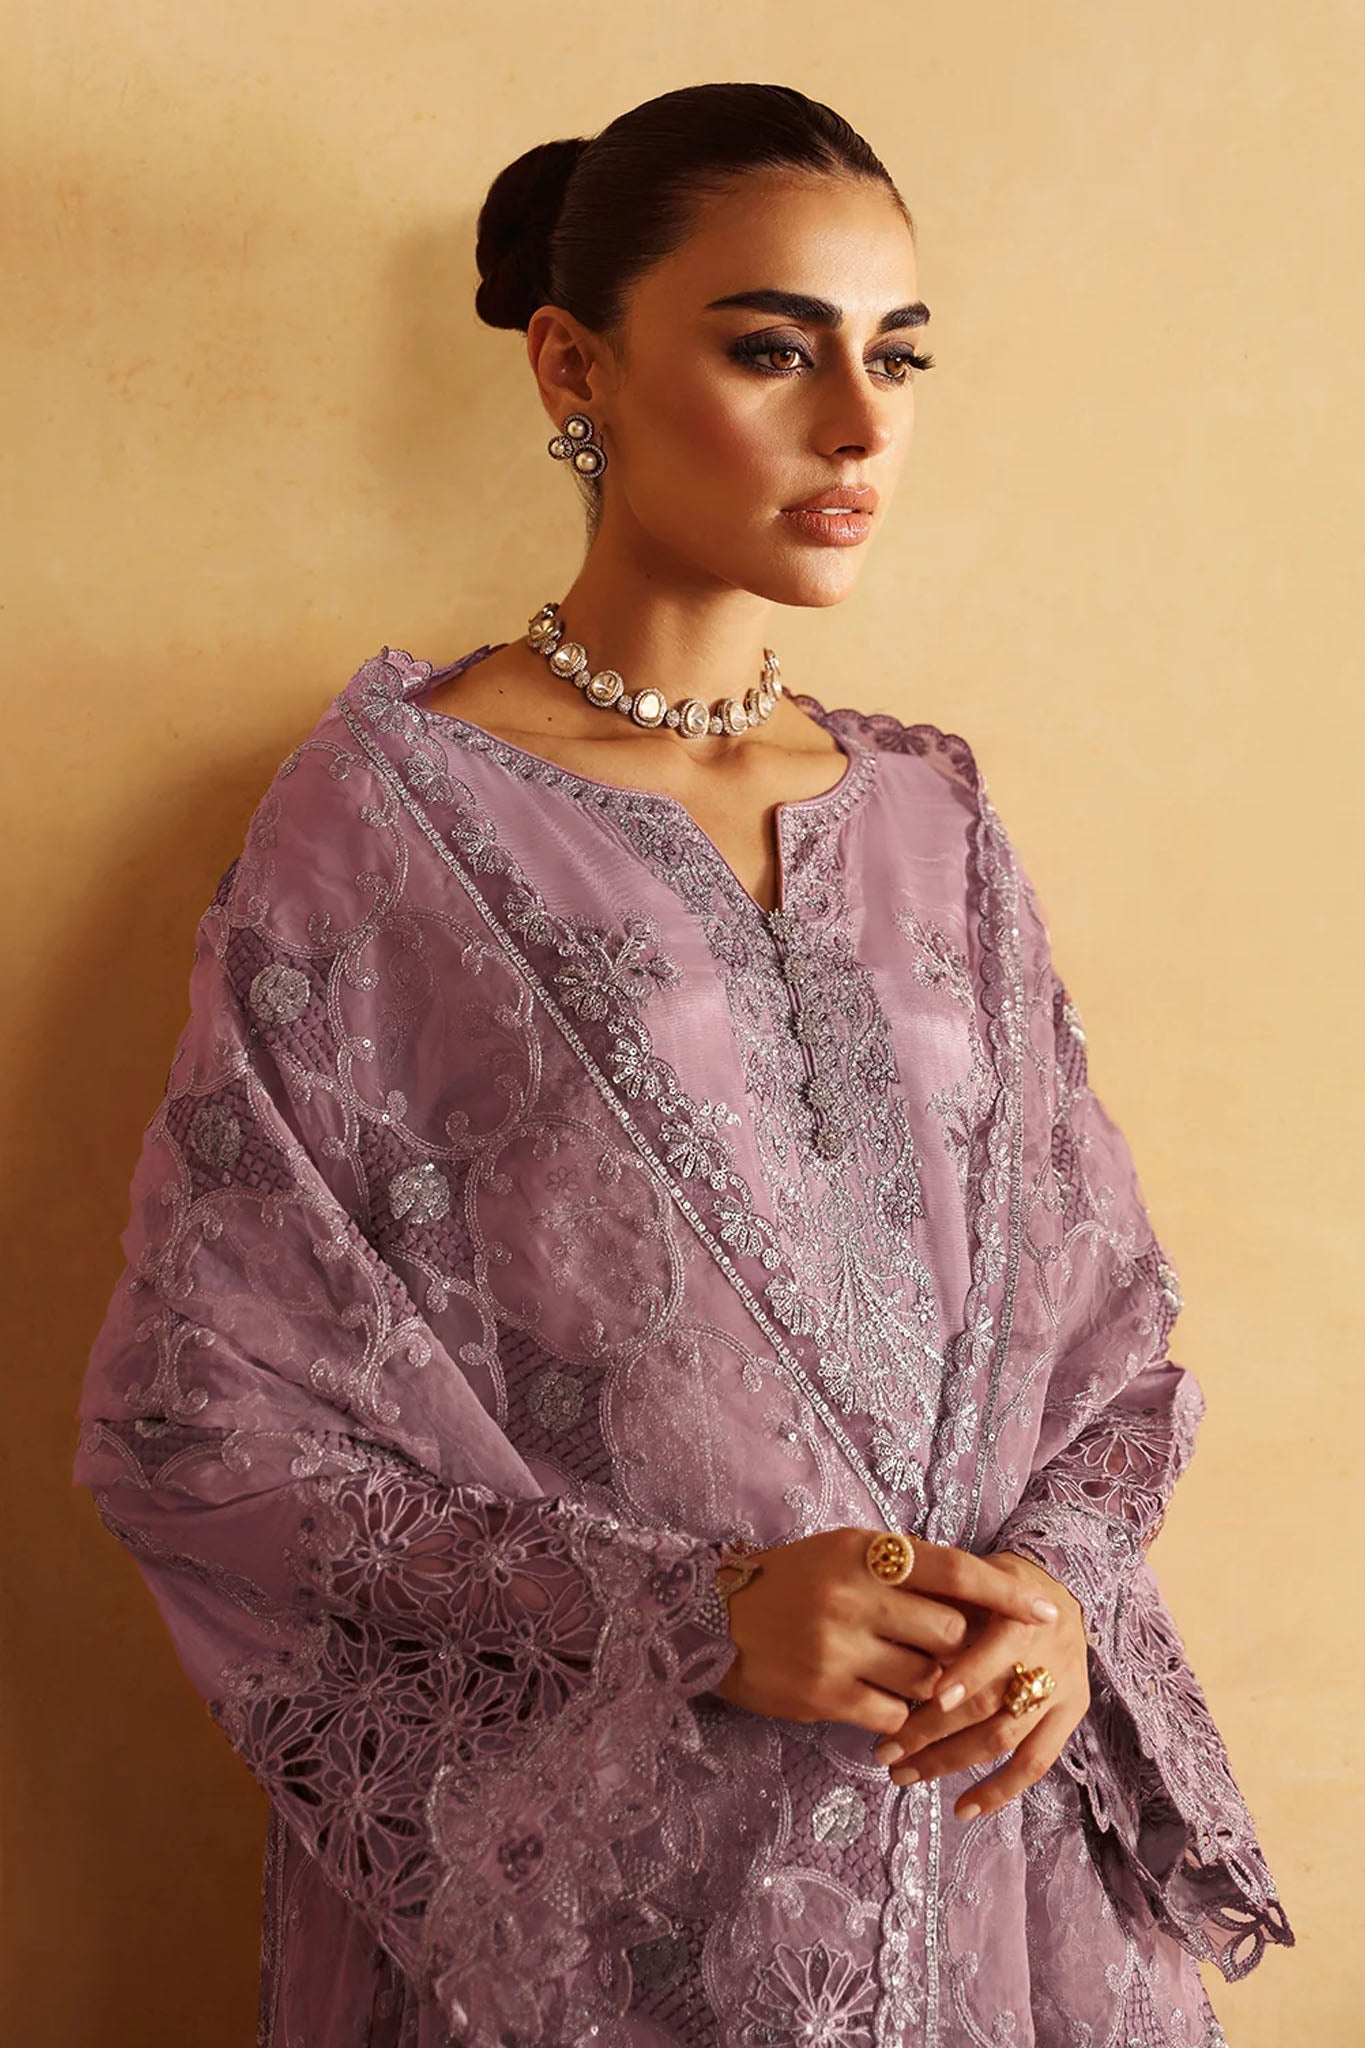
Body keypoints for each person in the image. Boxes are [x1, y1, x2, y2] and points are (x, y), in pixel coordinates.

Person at [73, 80, 1294, 2048]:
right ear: (573, 365)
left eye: (897, 355)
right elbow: (203, 1418)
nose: (858, 424)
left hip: (986, 1861)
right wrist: (697, 1618)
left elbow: (1097, 1336)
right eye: (770, 350)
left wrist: (1059, 1599)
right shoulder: (390, 816)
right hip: (628, 1902)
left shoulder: (931, 816)